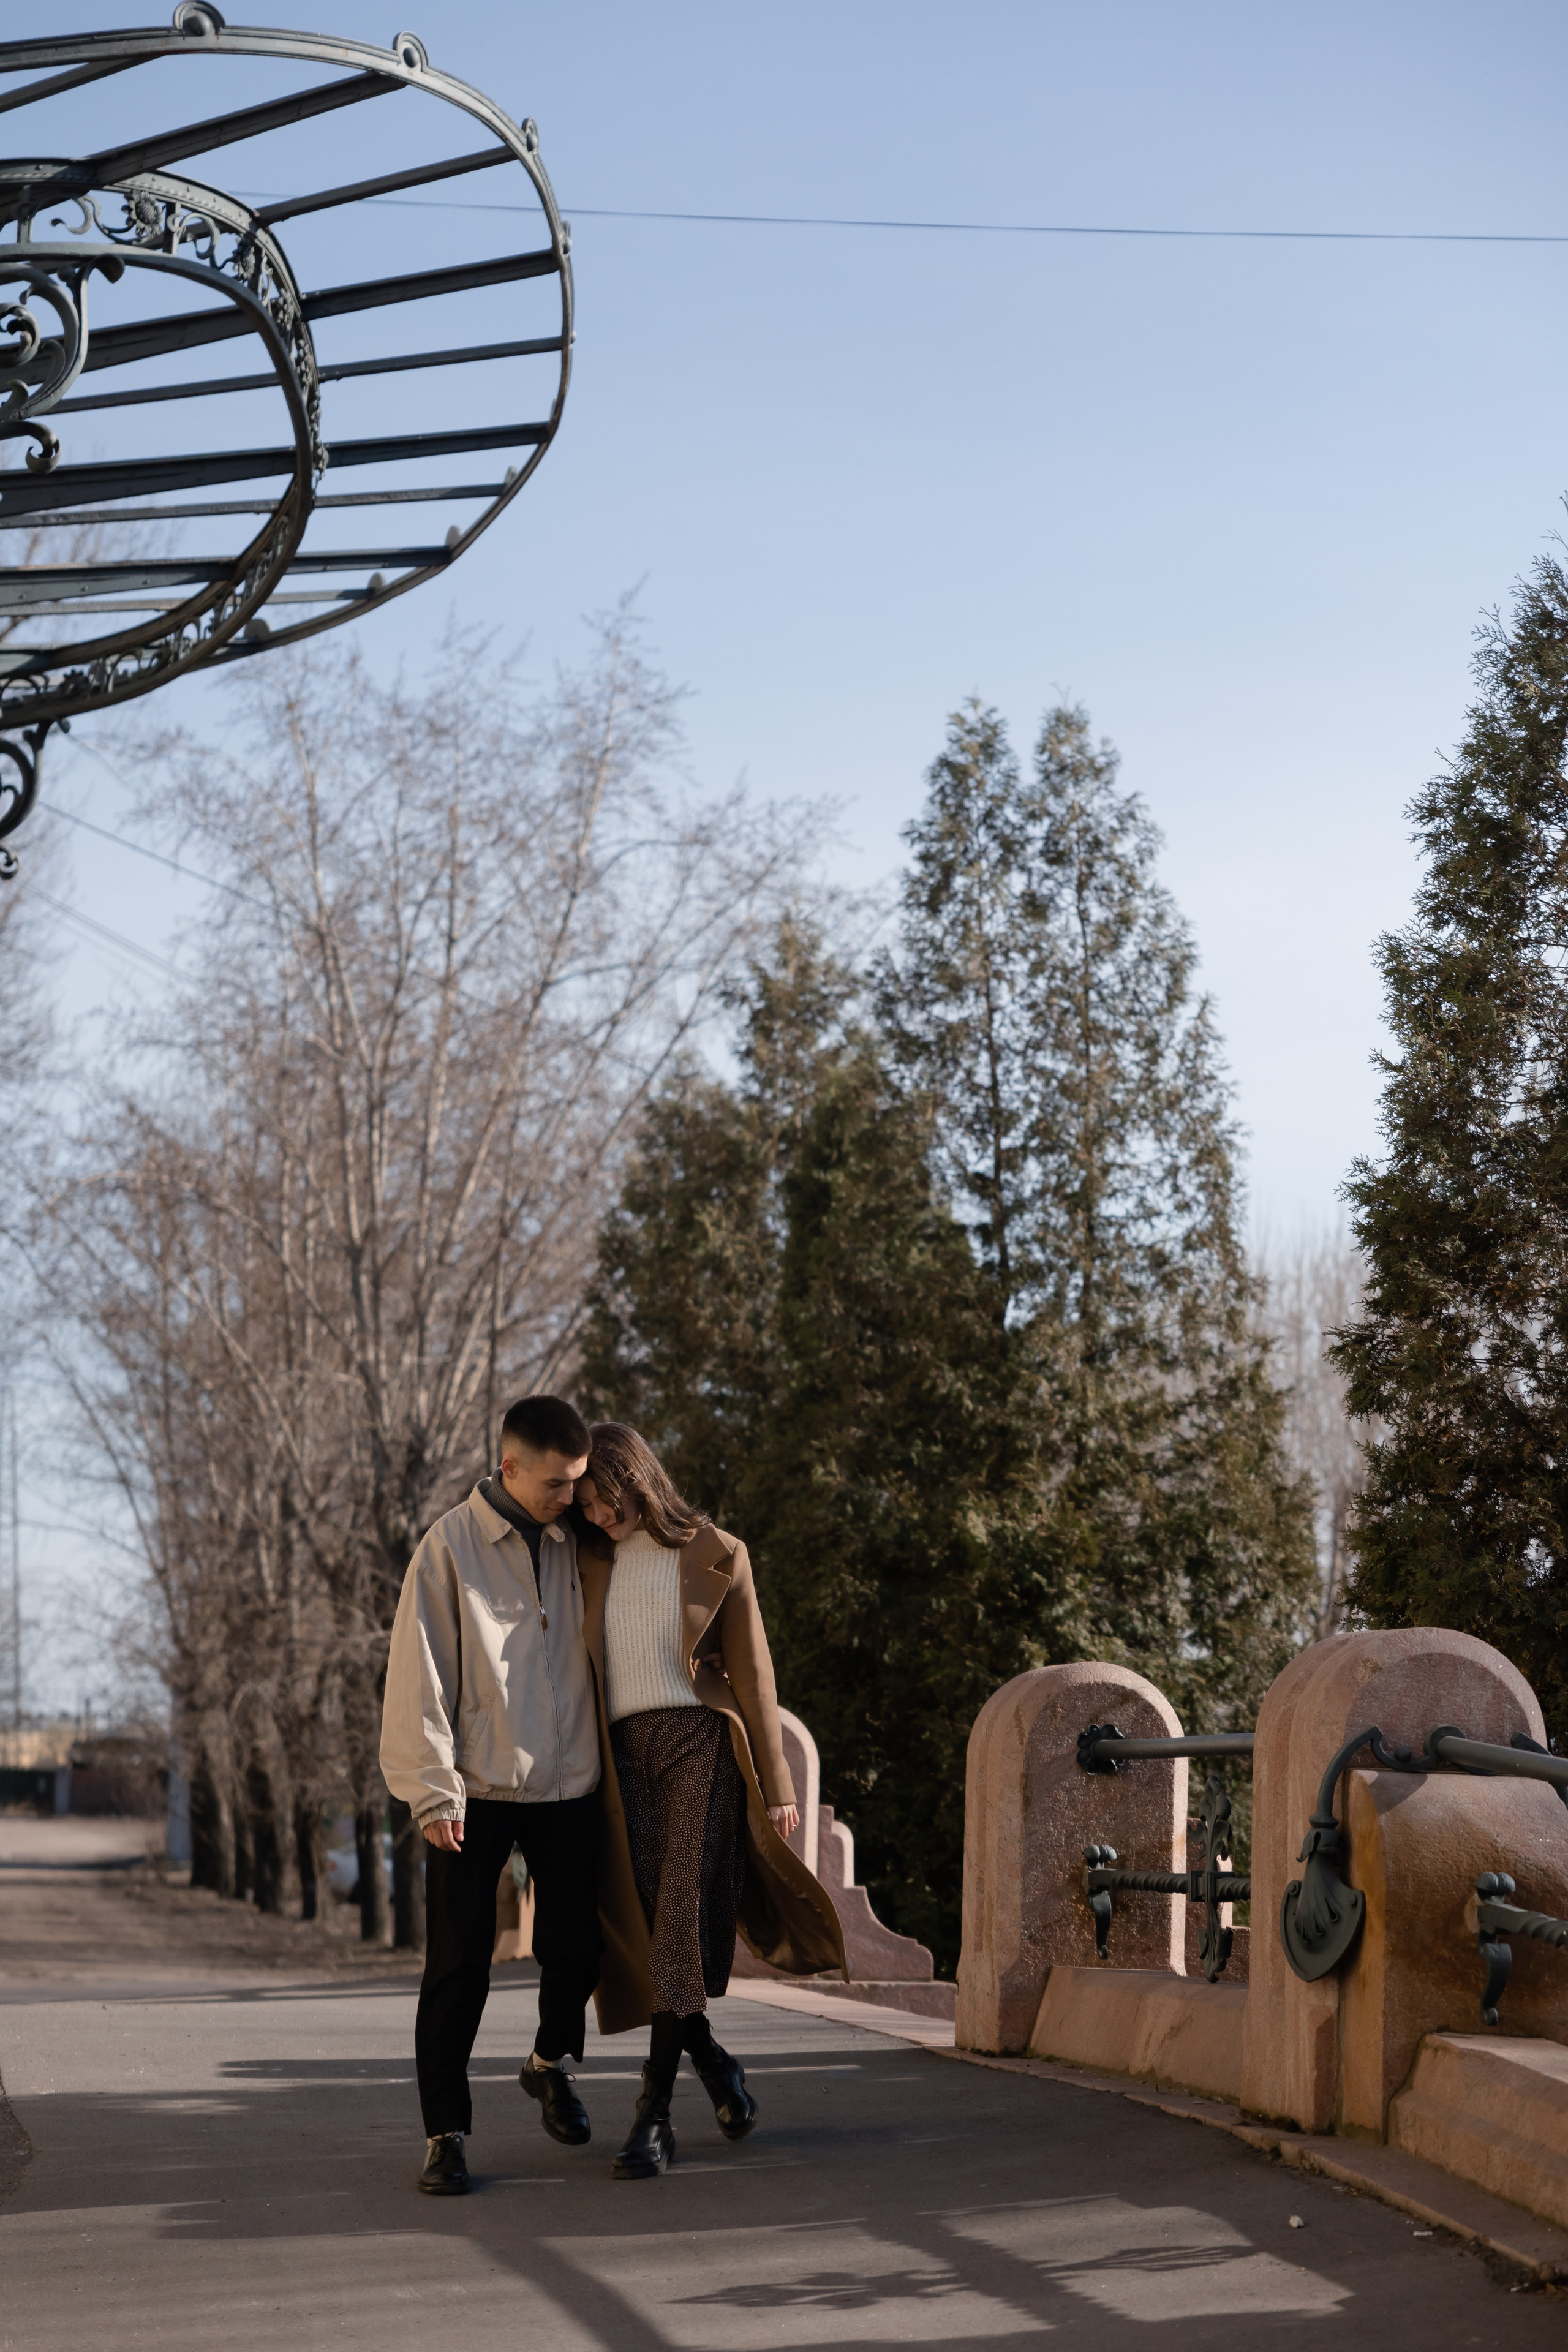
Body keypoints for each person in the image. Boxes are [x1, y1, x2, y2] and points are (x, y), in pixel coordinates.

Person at [575, 1422, 846, 2179]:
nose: (599, 1516)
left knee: (681, 1918)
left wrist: (778, 1781)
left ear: (638, 1480)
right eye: (587, 1507)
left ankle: (652, 2115)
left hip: (701, 1744)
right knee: (651, 1919)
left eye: (607, 1500)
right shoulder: (583, 1559)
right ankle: (717, 2066)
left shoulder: (716, 1552)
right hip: (620, 1755)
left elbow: (754, 1675)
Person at [380, 1393, 605, 2197]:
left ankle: (547, 2063)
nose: (570, 1498)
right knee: (459, 1968)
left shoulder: (581, 1541)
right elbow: (420, 1680)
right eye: (556, 1484)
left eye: (577, 1482)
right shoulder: (449, 1549)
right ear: (509, 1468)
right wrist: (433, 1795)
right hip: (475, 1790)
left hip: (571, 1781)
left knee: (580, 1947)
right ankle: (446, 2135)